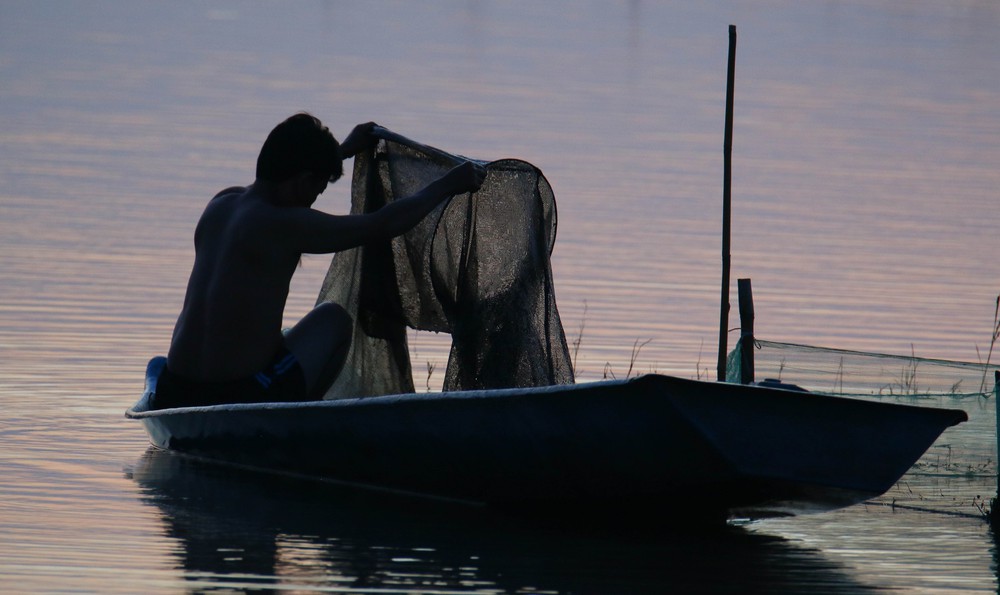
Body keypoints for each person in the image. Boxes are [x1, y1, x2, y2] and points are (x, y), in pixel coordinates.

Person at [153, 113, 486, 408]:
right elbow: (382, 224)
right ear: (302, 181)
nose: (314, 199)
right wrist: (448, 183)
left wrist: (338, 153)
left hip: (174, 388)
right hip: (236, 395)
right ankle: (297, 422)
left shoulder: (221, 205)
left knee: (278, 332)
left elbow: (289, 178)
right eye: (318, 188)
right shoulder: (285, 224)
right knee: (333, 320)